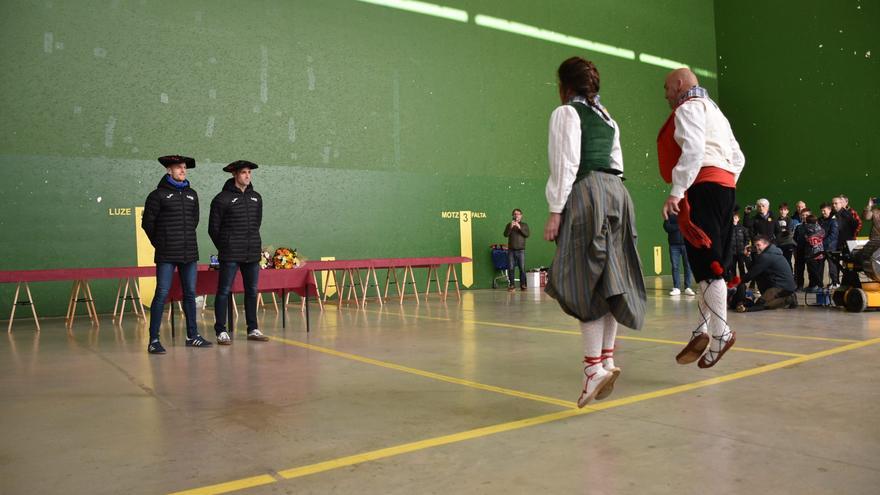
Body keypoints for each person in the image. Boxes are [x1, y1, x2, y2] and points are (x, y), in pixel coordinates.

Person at [543, 56, 646, 407]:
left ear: (564, 86)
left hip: (587, 192)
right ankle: (607, 360)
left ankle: (592, 370)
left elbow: (565, 163)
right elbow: (617, 164)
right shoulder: (608, 118)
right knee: (612, 277)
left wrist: (556, 210)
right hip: (618, 193)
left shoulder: (566, 114)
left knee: (581, 277)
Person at [657, 67, 744, 369]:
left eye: (667, 88)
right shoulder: (715, 112)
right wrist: (727, 180)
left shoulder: (689, 108)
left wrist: (676, 191)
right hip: (725, 188)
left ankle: (721, 334)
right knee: (710, 264)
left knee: (709, 268)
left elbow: (692, 151)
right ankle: (703, 329)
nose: (666, 94)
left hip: (702, 187)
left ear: (680, 84)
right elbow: (739, 156)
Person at [141, 155, 213, 354]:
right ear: (168, 171)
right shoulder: (157, 195)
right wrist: (161, 243)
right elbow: (147, 224)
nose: (183, 170)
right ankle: (154, 340)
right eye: (178, 168)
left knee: (190, 294)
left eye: (184, 168)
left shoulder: (192, 195)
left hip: (189, 253)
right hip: (166, 253)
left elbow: (194, 221)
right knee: (162, 293)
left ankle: (193, 336)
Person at [209, 160, 269, 344]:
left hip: (251, 253)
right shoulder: (221, 199)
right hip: (230, 254)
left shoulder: (256, 197)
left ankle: (253, 329)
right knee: (224, 291)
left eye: (249, 172)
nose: (247, 176)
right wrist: (226, 246)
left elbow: (256, 223)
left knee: (252, 291)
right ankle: (221, 331)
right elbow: (213, 229)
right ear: (234, 175)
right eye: (244, 172)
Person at [731, 235, 797, 312]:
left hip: (781, 287)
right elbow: (753, 269)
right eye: (755, 246)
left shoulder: (767, 256)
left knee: (761, 304)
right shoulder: (770, 252)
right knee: (760, 299)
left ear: (766, 244)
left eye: (759, 245)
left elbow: (752, 274)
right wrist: (747, 256)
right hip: (780, 285)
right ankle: (786, 298)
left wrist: (736, 283)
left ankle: (789, 299)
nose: (757, 248)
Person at [663, 214, 695, 296]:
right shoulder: (670, 214)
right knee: (675, 266)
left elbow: (691, 227)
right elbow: (667, 227)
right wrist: (679, 226)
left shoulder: (687, 213)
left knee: (687, 266)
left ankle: (688, 287)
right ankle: (676, 287)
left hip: (686, 244)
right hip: (673, 245)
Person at [503, 209, 530, 291]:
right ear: (513, 215)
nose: (516, 215)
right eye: (515, 214)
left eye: (518, 214)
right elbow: (505, 235)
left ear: (521, 215)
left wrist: (519, 227)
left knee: (522, 268)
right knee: (511, 268)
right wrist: (511, 227)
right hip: (511, 250)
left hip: (521, 250)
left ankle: (523, 285)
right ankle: (512, 285)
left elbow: (527, 234)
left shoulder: (524, 225)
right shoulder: (509, 225)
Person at [800, 214, 826, 292]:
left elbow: (804, 238)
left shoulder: (806, 228)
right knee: (819, 270)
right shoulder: (820, 228)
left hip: (811, 253)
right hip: (820, 252)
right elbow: (824, 235)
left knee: (812, 271)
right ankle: (819, 287)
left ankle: (818, 286)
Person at [818, 202, 840, 287]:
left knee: (832, 267)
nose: (823, 212)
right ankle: (819, 284)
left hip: (831, 248)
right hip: (821, 249)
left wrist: (822, 243)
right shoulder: (820, 220)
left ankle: (835, 283)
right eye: (822, 211)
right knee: (819, 267)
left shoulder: (834, 221)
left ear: (830, 210)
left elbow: (833, 235)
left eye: (824, 210)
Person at [774, 202, 796, 270]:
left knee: (788, 261)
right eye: (781, 209)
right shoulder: (776, 221)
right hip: (778, 245)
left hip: (787, 244)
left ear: (787, 211)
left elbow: (788, 232)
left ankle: (790, 277)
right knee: (779, 262)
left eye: (784, 210)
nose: (783, 211)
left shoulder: (790, 220)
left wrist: (780, 232)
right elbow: (774, 232)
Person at [728, 211, 749, 280]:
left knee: (741, 267)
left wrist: (745, 247)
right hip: (732, 252)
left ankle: (743, 282)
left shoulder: (742, 228)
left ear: (738, 219)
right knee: (732, 267)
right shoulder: (728, 229)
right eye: (733, 218)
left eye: (736, 217)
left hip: (741, 252)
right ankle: (734, 282)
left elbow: (747, 238)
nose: (734, 219)